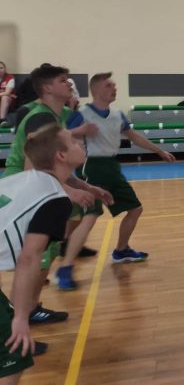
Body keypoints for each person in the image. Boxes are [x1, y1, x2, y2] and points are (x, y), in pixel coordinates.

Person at [2, 65, 111, 329]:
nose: (69, 84)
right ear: (48, 88)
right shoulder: (40, 118)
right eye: (63, 80)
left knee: (46, 248)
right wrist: (70, 191)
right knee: (34, 256)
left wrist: (86, 187)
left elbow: (56, 165)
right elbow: (34, 167)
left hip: (40, 185)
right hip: (24, 190)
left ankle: (29, 308)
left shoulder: (57, 114)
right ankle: (21, 316)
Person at [58, 73, 176, 290]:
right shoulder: (82, 114)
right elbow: (63, 136)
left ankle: (121, 250)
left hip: (112, 167)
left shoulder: (117, 114)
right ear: (96, 90)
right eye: (109, 85)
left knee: (135, 209)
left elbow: (134, 136)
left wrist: (159, 150)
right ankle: (65, 267)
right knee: (90, 216)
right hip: (91, 167)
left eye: (114, 85)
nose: (114, 88)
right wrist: (77, 137)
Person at [0, 125, 84, 380]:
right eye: (73, 141)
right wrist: (22, 318)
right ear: (61, 155)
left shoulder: (24, 179)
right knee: (15, 353)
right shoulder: (54, 199)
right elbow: (29, 259)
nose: (80, 142)